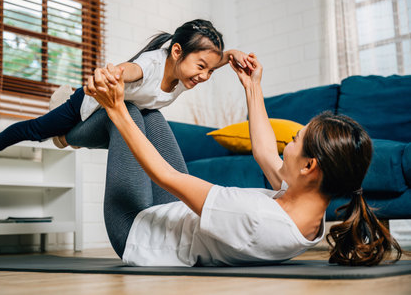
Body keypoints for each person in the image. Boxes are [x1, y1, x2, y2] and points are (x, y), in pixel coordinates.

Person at [61, 54, 401, 267]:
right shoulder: (307, 209)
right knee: (148, 110)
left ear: (309, 167)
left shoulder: (254, 217)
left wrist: (115, 107)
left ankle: (63, 133)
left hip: (139, 233)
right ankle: (82, 120)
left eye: (296, 140)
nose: (289, 142)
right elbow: (266, 152)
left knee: (132, 112)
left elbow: (166, 176)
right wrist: (252, 86)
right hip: (171, 217)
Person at [0, 19, 251, 184]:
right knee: (37, 130)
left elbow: (210, 59)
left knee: (143, 128)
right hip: (85, 106)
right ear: (177, 51)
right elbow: (130, 69)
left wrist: (231, 55)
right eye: (202, 67)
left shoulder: (186, 73)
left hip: (117, 119)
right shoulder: (151, 65)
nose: (205, 76)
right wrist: (111, 73)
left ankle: (68, 138)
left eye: (211, 71)